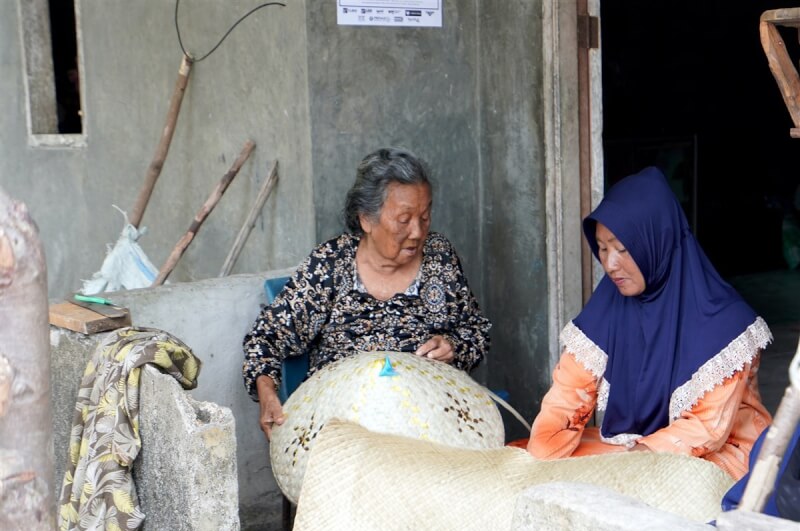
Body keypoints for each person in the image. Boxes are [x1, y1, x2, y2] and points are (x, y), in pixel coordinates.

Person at [519, 166, 773, 480]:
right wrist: (541, 458)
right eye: (602, 248)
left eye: (622, 249)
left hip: (716, 456)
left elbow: (707, 429)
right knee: (543, 464)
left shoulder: (726, 322)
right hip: (636, 449)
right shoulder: (608, 308)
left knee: (636, 491)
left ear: (657, 242)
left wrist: (628, 468)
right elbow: (567, 395)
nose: (610, 264)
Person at [242, 147, 491, 440]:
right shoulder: (330, 264)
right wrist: (268, 394)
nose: (417, 231)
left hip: (426, 420)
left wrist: (454, 346)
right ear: (366, 220)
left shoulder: (440, 257)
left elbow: (476, 331)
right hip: (345, 423)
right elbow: (266, 338)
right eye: (404, 219)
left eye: (425, 216)